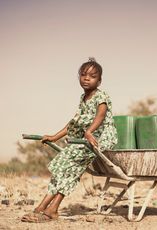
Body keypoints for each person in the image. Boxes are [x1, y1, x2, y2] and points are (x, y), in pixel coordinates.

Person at [21, 57, 118, 222]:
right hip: (84, 139)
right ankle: (42, 207)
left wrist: (89, 132)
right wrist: (53, 137)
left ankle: (52, 209)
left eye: (92, 76)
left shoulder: (102, 96)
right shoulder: (83, 98)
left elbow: (100, 116)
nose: (87, 78)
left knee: (71, 168)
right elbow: (74, 122)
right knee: (61, 166)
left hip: (100, 138)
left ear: (99, 81)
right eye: (83, 74)